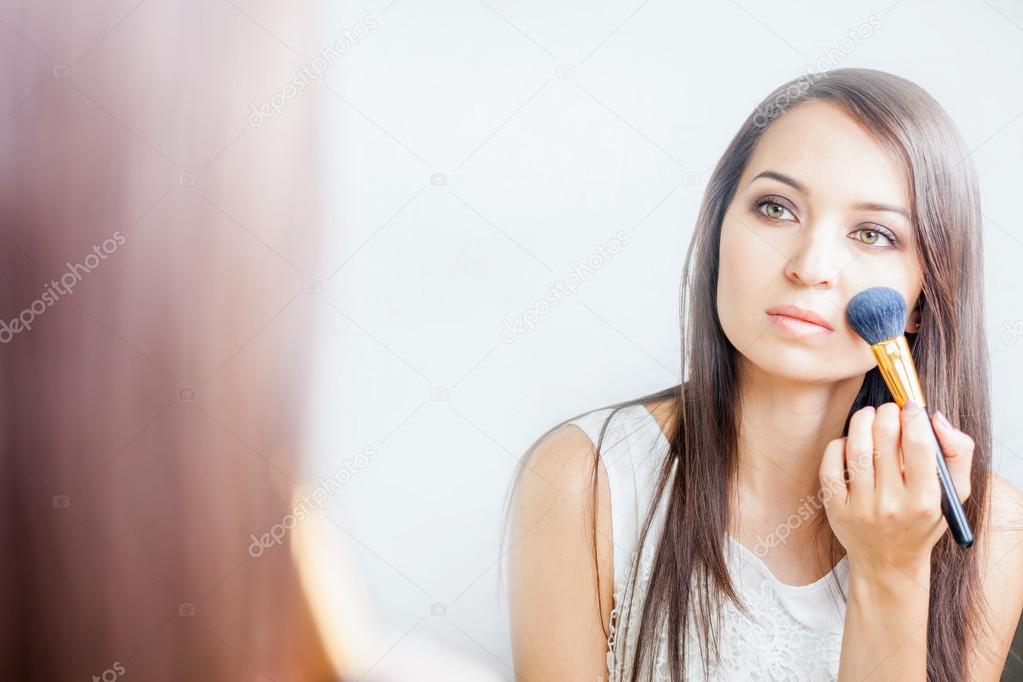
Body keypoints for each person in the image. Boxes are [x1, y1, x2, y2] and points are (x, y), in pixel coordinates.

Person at [506, 68, 1023, 681]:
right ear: (720, 229)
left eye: (873, 233)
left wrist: (893, 569)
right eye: (776, 209)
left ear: (920, 301)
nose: (811, 266)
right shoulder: (584, 478)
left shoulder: (989, 528)